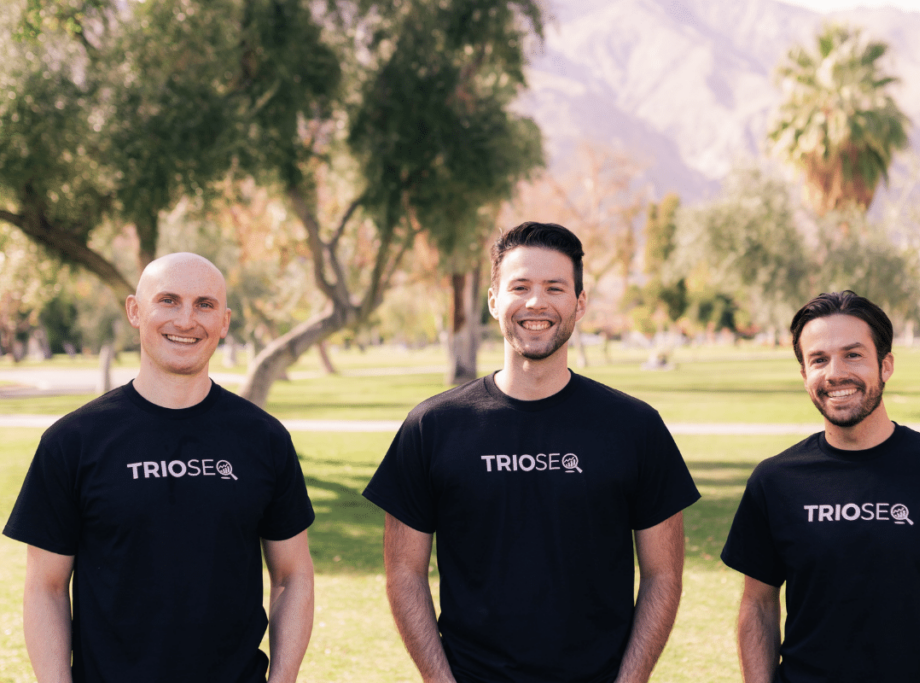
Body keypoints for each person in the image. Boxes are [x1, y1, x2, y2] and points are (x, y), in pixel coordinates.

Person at [363, 222, 700, 683]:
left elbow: (664, 575)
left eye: (554, 288)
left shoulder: (636, 427)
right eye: (520, 287)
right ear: (493, 301)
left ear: (580, 303)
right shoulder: (432, 427)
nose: (536, 302)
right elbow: (404, 573)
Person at [3, 253, 315, 683]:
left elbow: (292, 575)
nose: (186, 320)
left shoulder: (264, 438)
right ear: (135, 311)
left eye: (204, 305)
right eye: (168, 300)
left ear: (224, 321)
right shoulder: (72, 441)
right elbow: (45, 588)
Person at [721, 290, 920, 683]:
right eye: (818, 359)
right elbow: (758, 608)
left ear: (885, 365)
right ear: (804, 374)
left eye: (853, 355)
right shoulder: (775, 481)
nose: (835, 373)